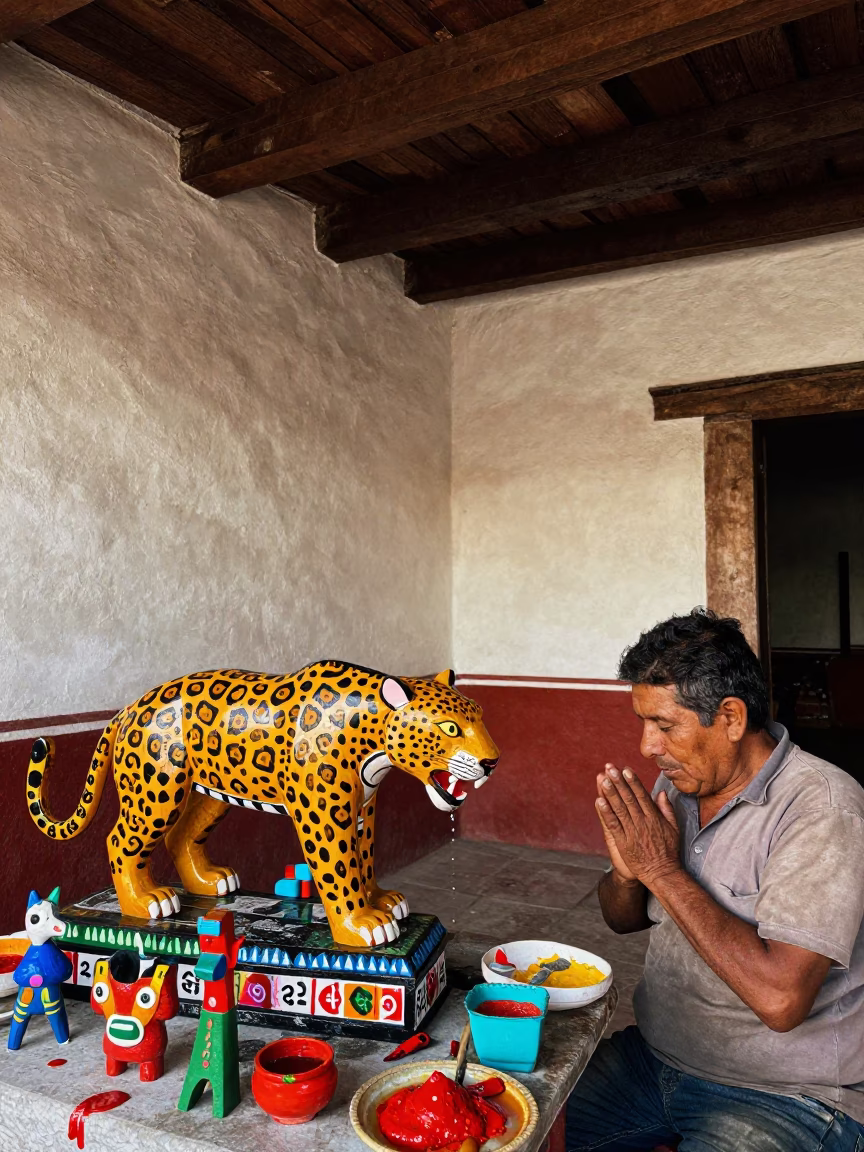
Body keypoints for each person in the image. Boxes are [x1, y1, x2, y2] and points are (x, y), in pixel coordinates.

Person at [566, 608, 864, 1152]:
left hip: (785, 1092)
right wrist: (629, 874)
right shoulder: (678, 782)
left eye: (664, 725)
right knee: (535, 1121)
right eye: (643, 723)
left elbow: (781, 1002)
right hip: (656, 1057)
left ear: (729, 717)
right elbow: (623, 920)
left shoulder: (822, 808)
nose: (646, 748)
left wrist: (662, 869)